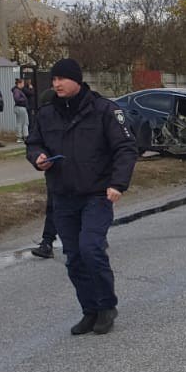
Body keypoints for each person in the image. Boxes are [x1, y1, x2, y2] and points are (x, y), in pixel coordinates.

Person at [26, 58, 138, 335]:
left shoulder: (103, 111)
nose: (56, 84)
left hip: (97, 194)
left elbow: (125, 148)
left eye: (62, 79)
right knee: (74, 257)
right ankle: (89, 310)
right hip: (63, 195)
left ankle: (106, 306)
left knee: (91, 249)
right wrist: (37, 157)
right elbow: (34, 143)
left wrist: (118, 184)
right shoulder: (48, 113)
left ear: (77, 80)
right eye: (53, 80)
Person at [30, 83, 59, 258]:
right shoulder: (43, 122)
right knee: (53, 206)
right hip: (55, 171)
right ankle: (47, 242)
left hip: (81, 172)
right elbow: (35, 144)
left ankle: (93, 238)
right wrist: (39, 157)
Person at [10, 77, 32, 143]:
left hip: (19, 108)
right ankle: (23, 136)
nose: (23, 84)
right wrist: (24, 99)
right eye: (22, 83)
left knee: (20, 122)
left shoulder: (17, 90)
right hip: (20, 107)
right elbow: (17, 99)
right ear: (19, 83)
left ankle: (21, 137)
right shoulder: (17, 90)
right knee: (24, 122)